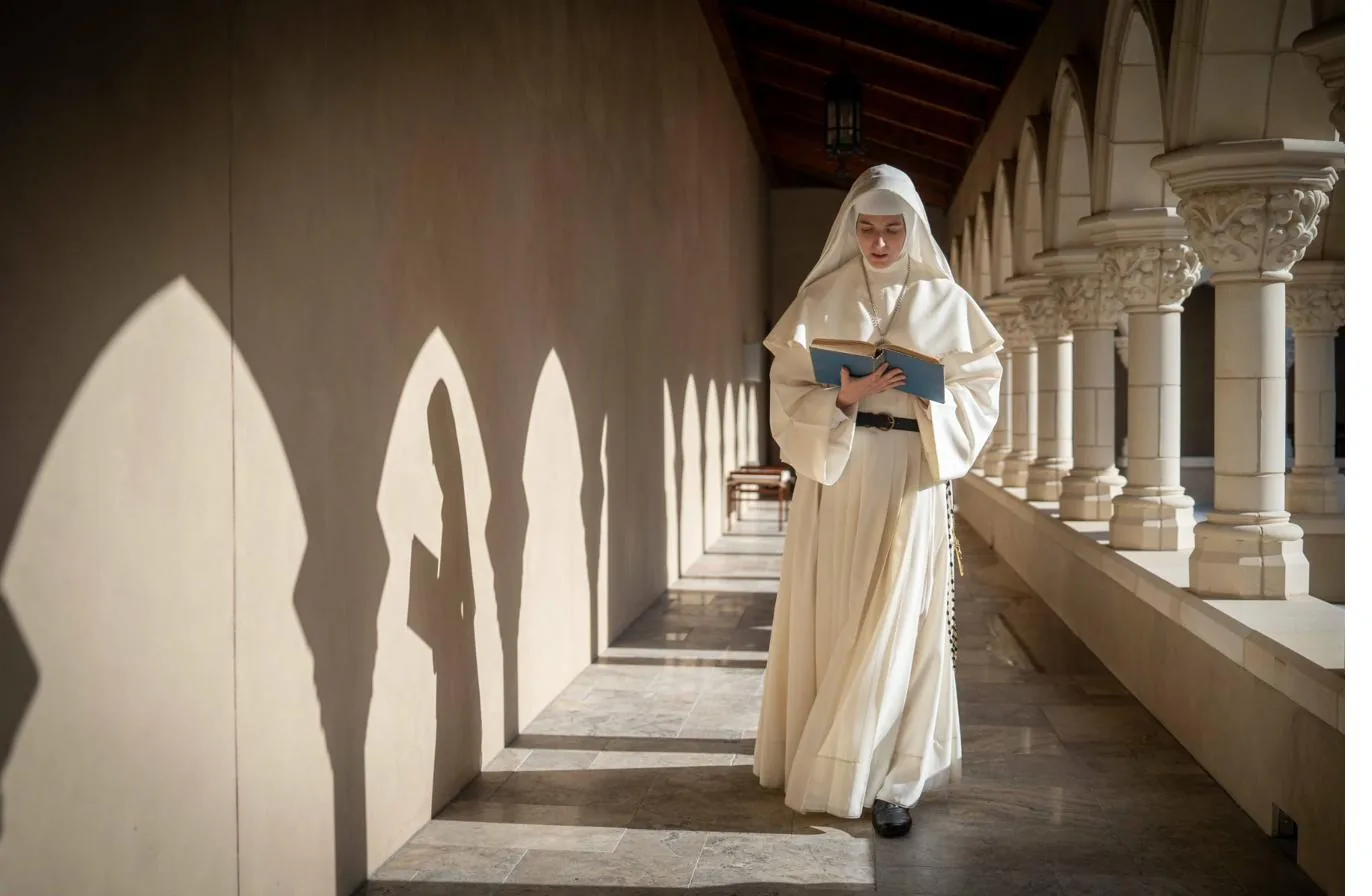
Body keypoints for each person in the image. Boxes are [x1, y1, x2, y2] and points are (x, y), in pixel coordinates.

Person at [752, 165, 1002, 838]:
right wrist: (845, 396)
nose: (881, 242)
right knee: (838, 617)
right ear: (852, 229)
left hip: (911, 476)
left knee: (901, 620)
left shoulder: (946, 304)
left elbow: (981, 390)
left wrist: (930, 398)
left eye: (894, 229)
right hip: (840, 476)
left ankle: (896, 779)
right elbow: (785, 396)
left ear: (913, 230)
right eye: (868, 229)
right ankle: (839, 764)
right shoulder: (822, 297)